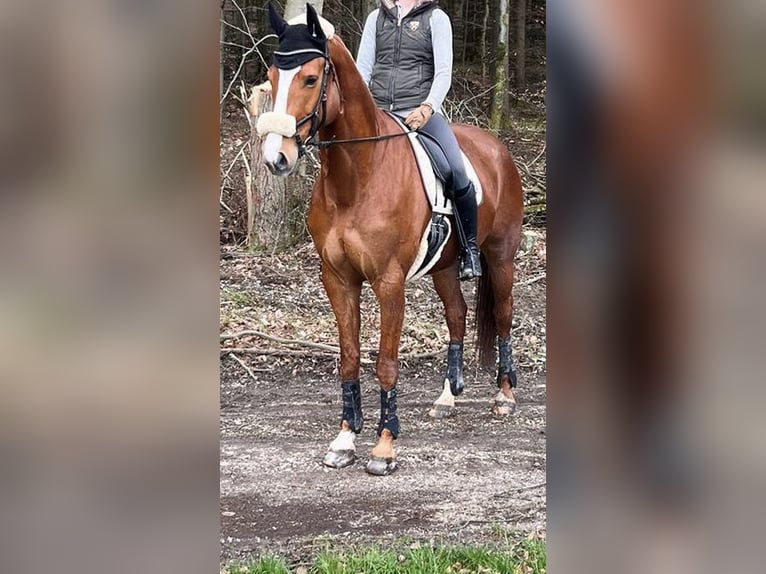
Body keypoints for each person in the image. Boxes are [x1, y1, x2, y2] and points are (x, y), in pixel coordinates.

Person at [356, 0, 481, 280]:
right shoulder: (376, 18)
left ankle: (469, 249)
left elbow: (443, 73)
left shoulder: (436, 19)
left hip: (419, 111)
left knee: (456, 171)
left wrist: (427, 107)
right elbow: (362, 70)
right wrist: (362, 110)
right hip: (379, 113)